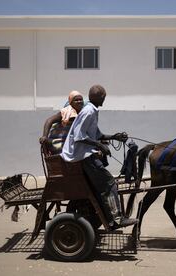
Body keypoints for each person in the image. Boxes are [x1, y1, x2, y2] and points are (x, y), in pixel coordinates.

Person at [61, 84, 138, 229]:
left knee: (105, 182)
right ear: (101, 97)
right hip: (82, 156)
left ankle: (110, 216)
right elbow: (79, 136)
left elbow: (98, 135)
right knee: (109, 183)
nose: (104, 99)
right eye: (104, 97)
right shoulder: (89, 111)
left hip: (85, 154)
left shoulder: (92, 110)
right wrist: (100, 145)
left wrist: (115, 137)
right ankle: (116, 219)